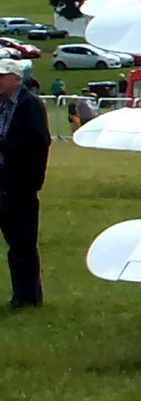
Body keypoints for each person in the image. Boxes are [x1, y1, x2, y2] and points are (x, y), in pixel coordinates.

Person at [0, 59, 51, 308]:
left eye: (2, 76)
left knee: (22, 245)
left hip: (20, 184)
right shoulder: (2, 104)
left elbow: (38, 143)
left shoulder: (30, 105)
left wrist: (6, 146)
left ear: (16, 79)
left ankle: (27, 297)